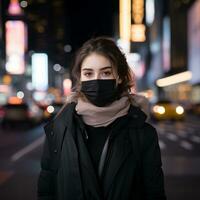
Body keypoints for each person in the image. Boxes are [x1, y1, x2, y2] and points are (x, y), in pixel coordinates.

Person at [37, 37, 166, 200]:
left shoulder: (143, 134)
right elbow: (47, 190)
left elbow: (154, 194)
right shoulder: (59, 129)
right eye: (88, 73)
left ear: (119, 77)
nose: (96, 80)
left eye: (105, 73)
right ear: (80, 78)